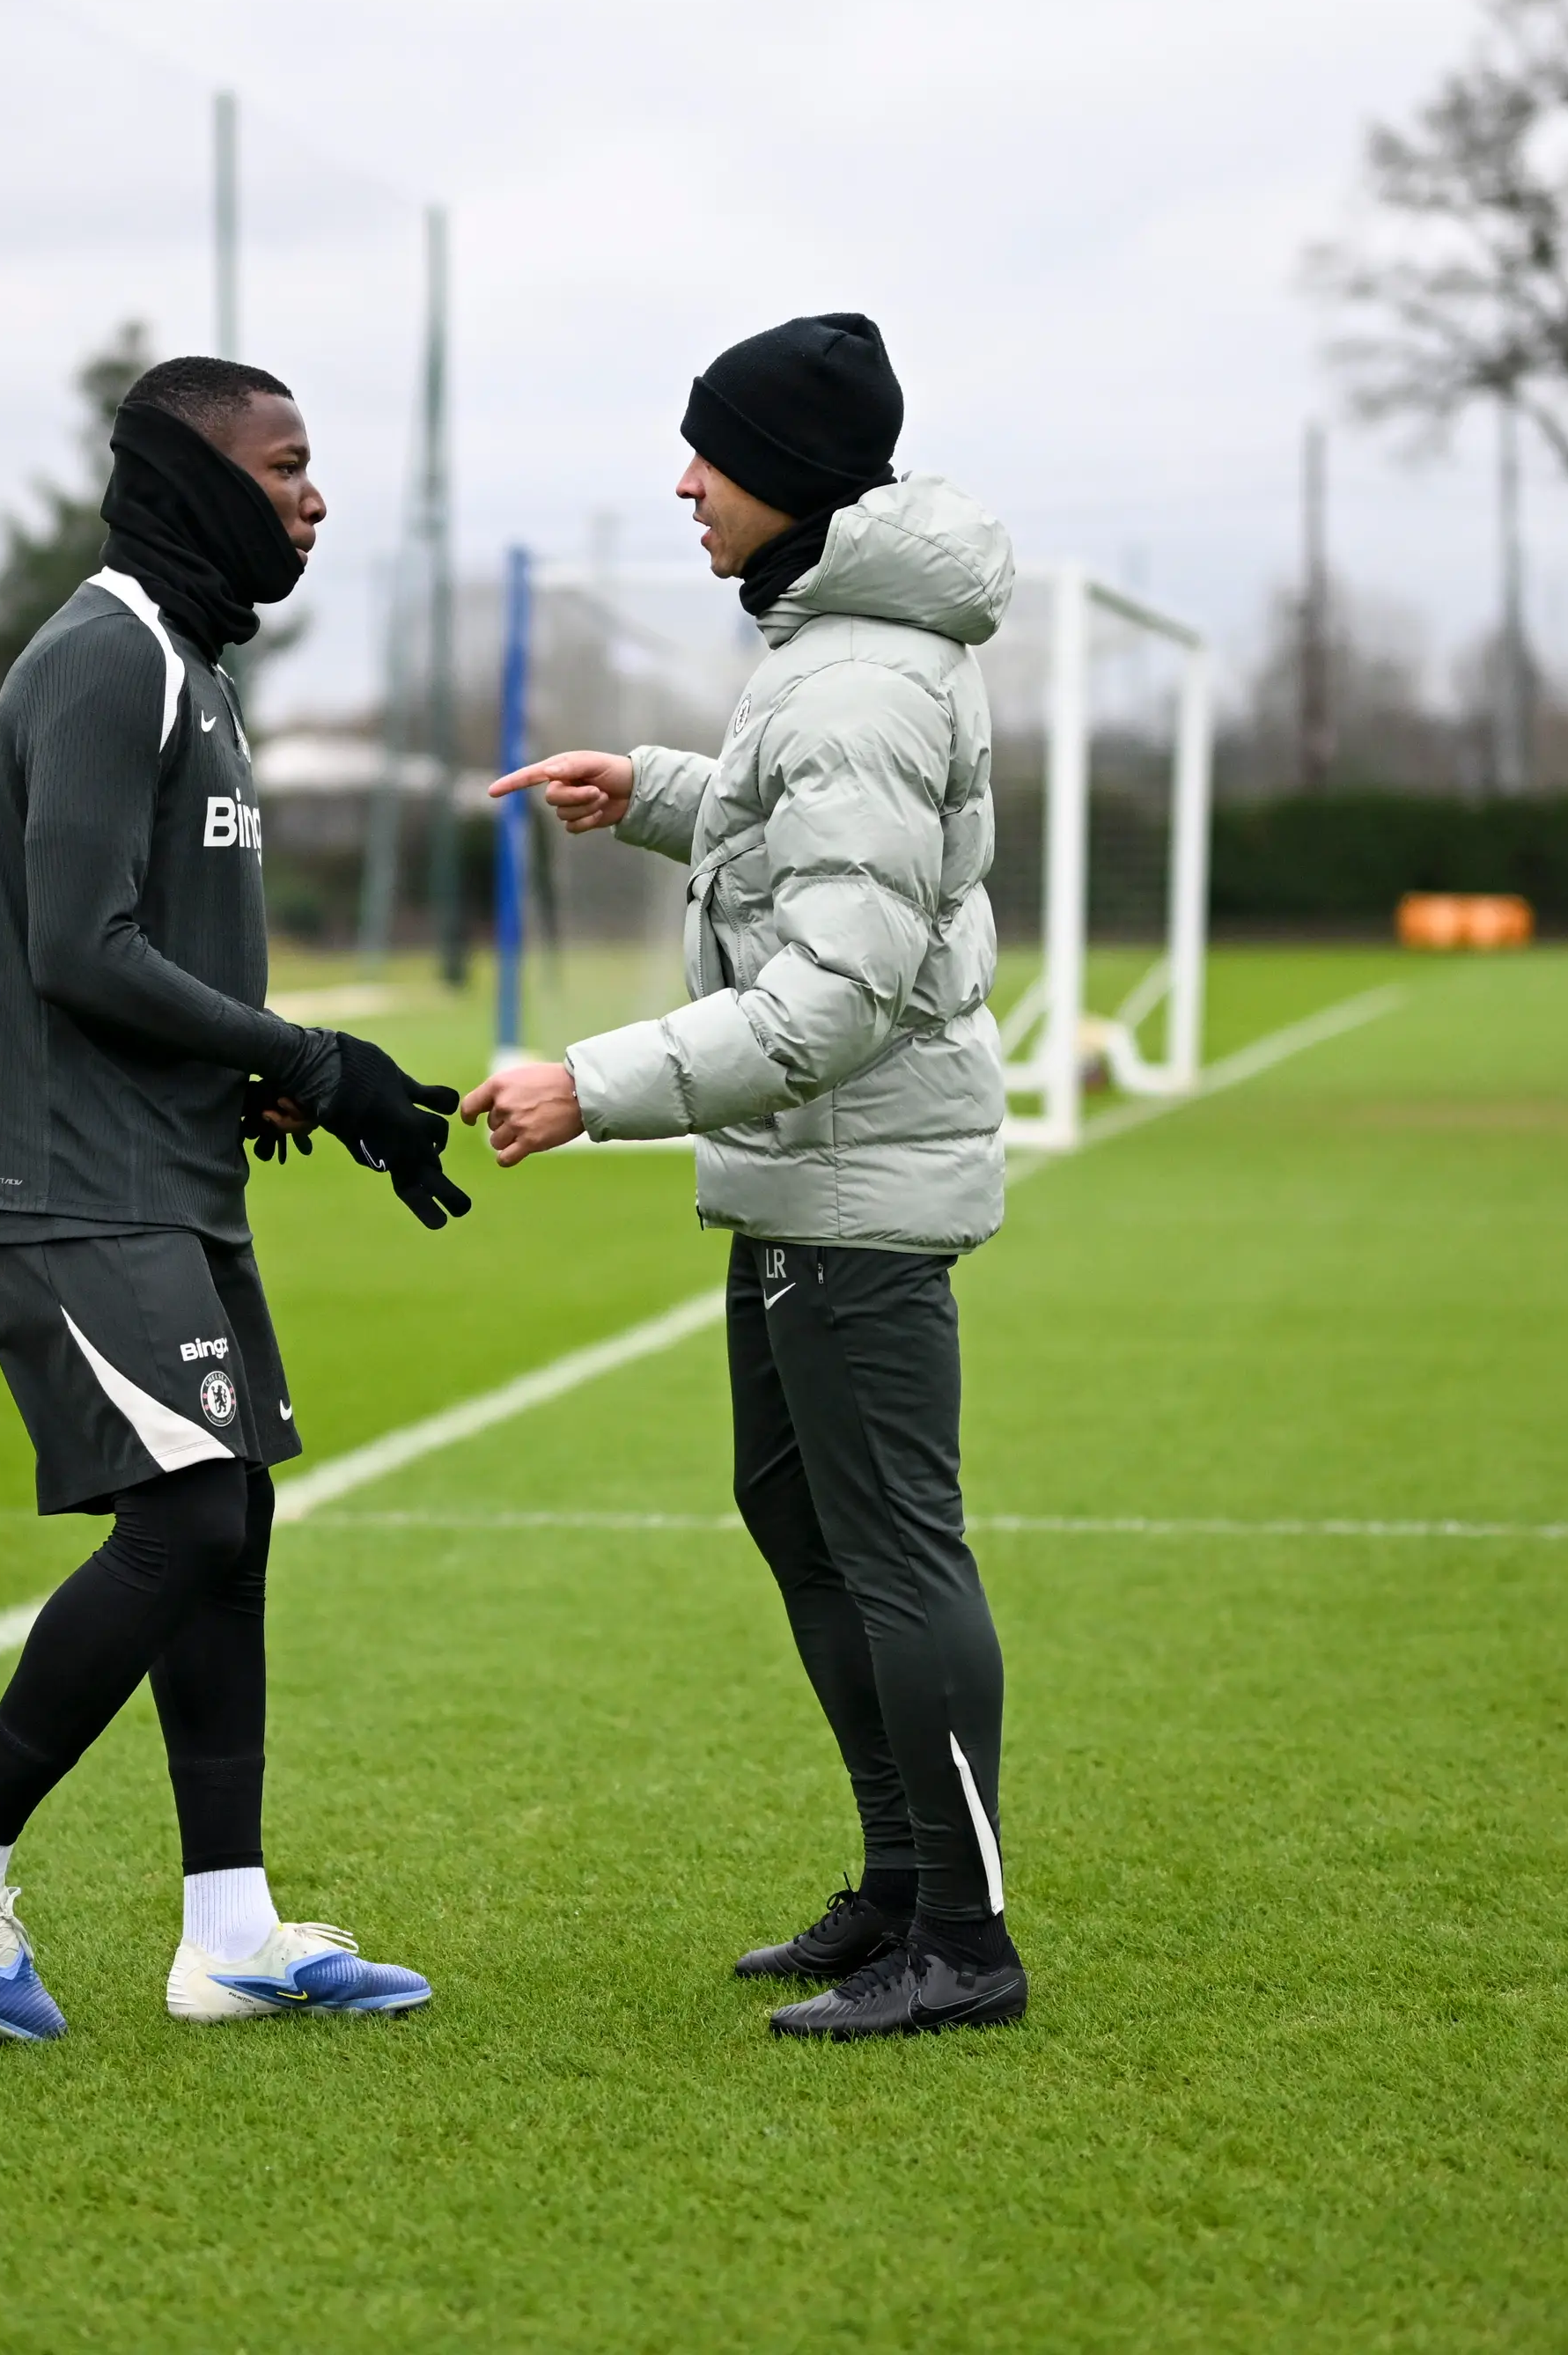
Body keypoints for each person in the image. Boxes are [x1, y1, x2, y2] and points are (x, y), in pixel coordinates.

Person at [0, 356, 470, 2041]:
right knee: (186, 1516)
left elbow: (157, 955)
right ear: (196, 476)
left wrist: (281, 1086)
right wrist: (315, 1050)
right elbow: (81, 950)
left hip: (169, 1174)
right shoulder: (103, 658)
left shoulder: (189, 664)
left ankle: (232, 1929)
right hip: (68, 1183)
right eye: (287, 465)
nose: (314, 497)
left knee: (235, 1525)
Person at [465, 313, 1026, 2041]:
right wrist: (654, 792)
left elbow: (838, 991)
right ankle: (899, 1888)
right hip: (806, 1187)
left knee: (891, 1550)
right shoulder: (830, 649)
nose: (685, 484)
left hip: (849, 1190)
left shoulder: (854, 671)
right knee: (801, 1521)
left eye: (708, 453)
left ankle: (967, 1936)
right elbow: (806, 830)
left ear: (787, 476)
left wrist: (595, 1086)